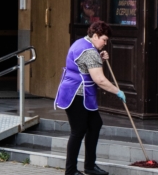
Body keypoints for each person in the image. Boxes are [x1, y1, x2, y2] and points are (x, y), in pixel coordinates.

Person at [54, 21, 126, 175]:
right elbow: (99, 79)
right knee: (78, 130)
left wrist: (99, 56)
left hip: (79, 93)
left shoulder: (82, 43)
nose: (105, 43)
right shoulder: (90, 52)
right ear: (95, 35)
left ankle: (90, 166)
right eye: (104, 39)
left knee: (95, 124)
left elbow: (84, 65)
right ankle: (71, 170)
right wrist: (117, 91)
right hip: (77, 94)